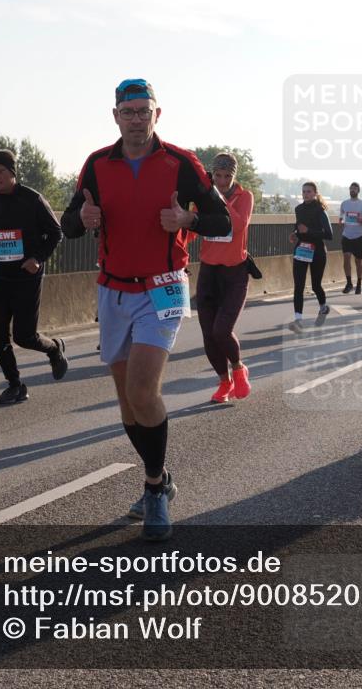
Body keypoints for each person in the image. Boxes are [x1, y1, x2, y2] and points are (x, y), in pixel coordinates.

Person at [60, 79, 230, 541]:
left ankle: (155, 488)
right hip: (112, 290)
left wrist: (188, 219)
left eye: (143, 110)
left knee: (142, 388)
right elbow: (68, 223)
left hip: (162, 288)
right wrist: (83, 219)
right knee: (127, 401)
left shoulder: (180, 163)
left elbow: (222, 220)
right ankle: (160, 476)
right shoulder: (96, 165)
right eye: (128, 111)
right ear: (115, 115)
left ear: (158, 114)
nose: (136, 119)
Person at [0, 149, 67, 405]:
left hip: (26, 277)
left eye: (0, 172)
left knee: (24, 336)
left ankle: (54, 349)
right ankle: (15, 385)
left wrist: (37, 259)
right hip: (0, 276)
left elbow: (56, 233)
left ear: (12, 172)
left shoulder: (32, 199)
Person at [195, 152, 254, 404]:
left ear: (234, 176)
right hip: (208, 272)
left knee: (222, 330)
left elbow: (238, 224)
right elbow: (195, 226)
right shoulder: (204, 197)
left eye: (227, 176)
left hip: (234, 273)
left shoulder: (245, 197)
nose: (222, 181)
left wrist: (219, 200)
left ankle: (239, 368)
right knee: (208, 334)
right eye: (217, 176)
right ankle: (224, 381)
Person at [288, 182, 332, 332]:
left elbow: (329, 234)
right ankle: (298, 320)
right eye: (304, 192)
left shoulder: (320, 210)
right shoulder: (298, 209)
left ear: (315, 193)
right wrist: (295, 234)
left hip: (318, 251)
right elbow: (298, 226)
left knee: (315, 285)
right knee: (298, 286)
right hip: (301, 250)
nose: (305, 194)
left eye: (308, 192)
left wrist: (309, 230)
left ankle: (323, 307)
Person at [339, 182, 362, 294]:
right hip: (346, 235)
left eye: (354, 189)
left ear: (358, 190)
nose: (352, 190)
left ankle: (359, 283)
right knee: (346, 258)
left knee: (358, 261)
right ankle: (349, 283)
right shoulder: (344, 203)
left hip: (359, 236)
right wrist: (341, 221)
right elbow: (341, 217)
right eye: (351, 188)